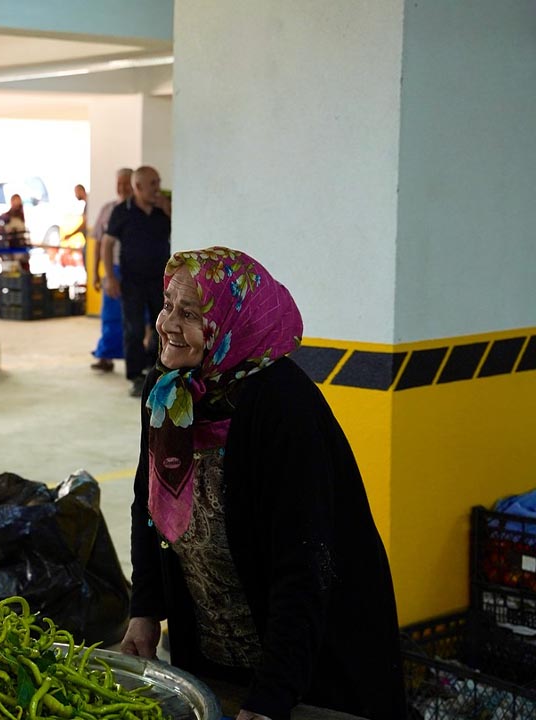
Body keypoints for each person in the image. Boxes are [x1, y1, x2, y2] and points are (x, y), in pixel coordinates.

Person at [120, 247, 405, 720]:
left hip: (311, 662)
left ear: (234, 323)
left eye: (189, 313)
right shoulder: (170, 389)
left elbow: (304, 564)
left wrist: (272, 697)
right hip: (213, 647)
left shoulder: (283, 408)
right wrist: (145, 609)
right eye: (168, 304)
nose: (168, 323)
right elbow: (145, 501)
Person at [102, 166, 171, 397]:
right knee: (133, 328)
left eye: (158, 182)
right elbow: (107, 244)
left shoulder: (164, 208)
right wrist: (110, 277)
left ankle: (157, 369)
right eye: (152, 184)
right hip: (131, 281)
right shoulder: (122, 211)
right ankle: (136, 376)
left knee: (162, 326)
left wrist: (169, 211)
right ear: (138, 187)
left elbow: (183, 230)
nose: (157, 188)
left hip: (161, 280)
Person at [90, 168, 134, 372]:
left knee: (139, 318)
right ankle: (105, 355)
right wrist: (95, 274)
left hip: (136, 270)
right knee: (110, 315)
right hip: (113, 269)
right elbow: (99, 244)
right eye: (120, 184)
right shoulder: (108, 209)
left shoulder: (140, 209)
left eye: (127, 183)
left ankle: (137, 359)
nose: (123, 188)